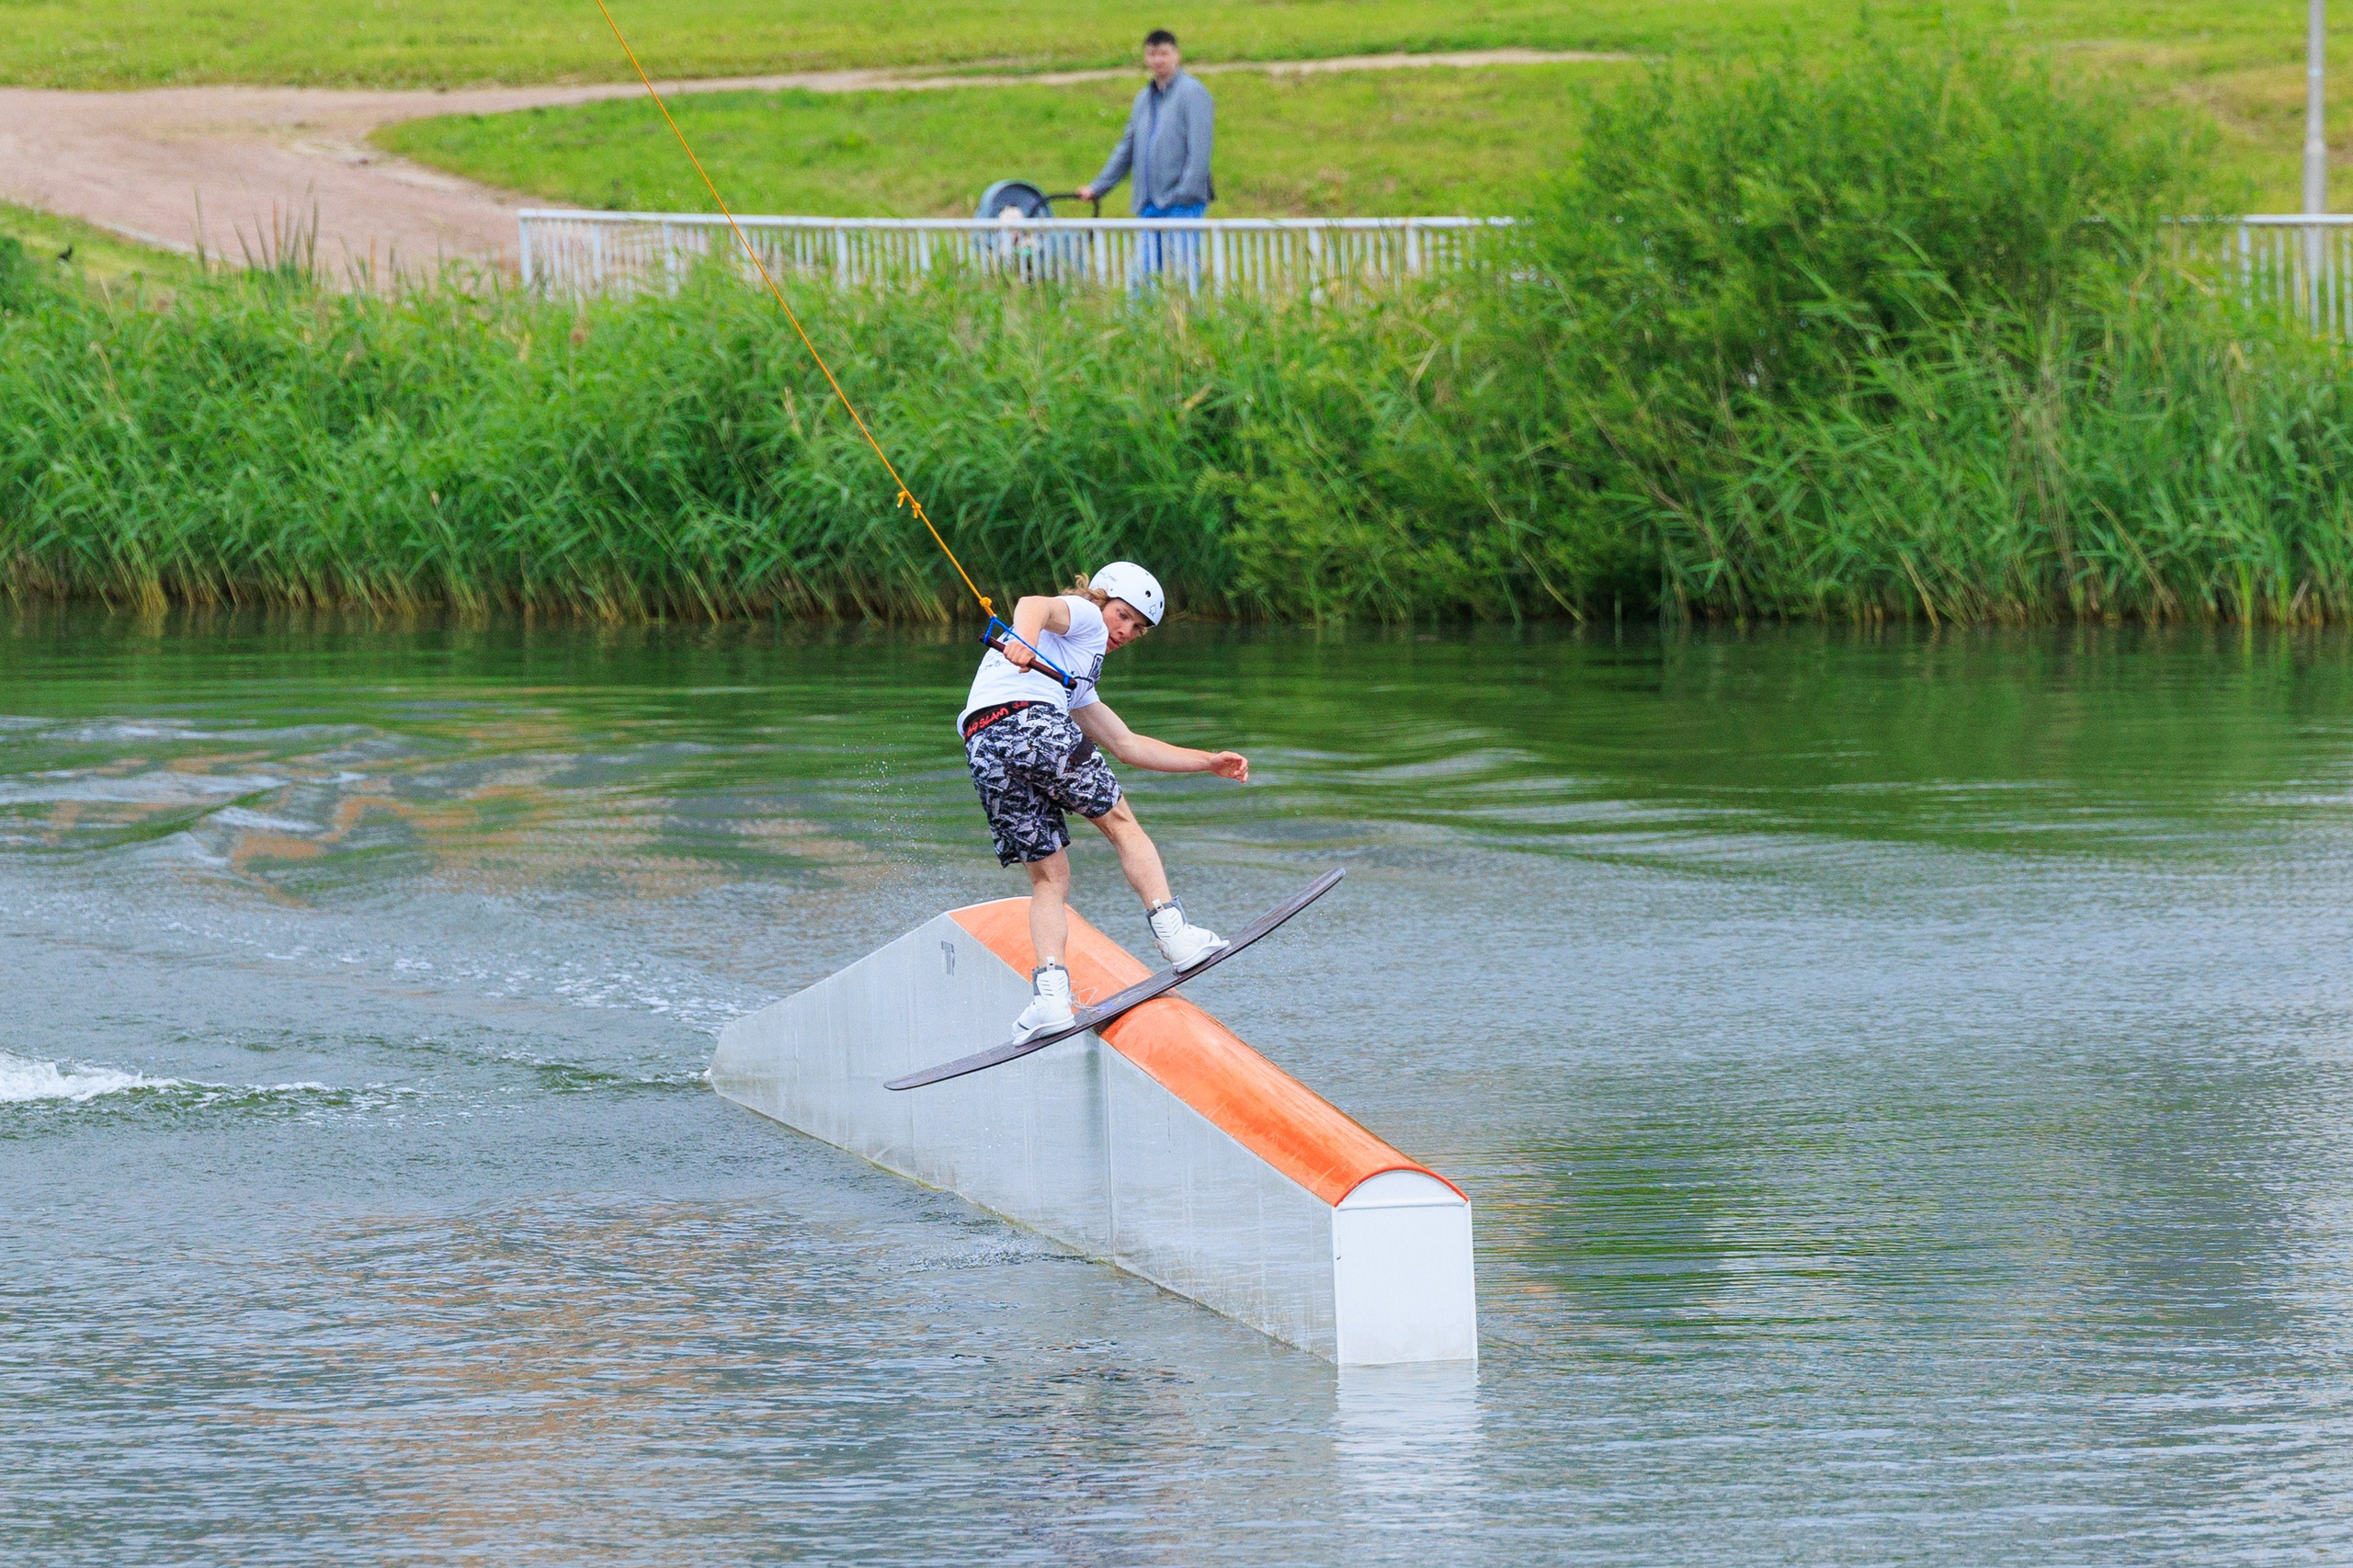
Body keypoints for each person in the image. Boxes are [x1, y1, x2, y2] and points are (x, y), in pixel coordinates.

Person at [958, 561, 1249, 1041]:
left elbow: (1127, 744)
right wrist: (1020, 638)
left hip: (983, 744)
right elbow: (1034, 605)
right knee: (1122, 823)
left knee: (1050, 878)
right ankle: (1174, 935)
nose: (1127, 630)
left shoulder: (1075, 679)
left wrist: (1207, 761)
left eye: (1139, 627)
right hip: (1029, 723)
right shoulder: (1086, 616)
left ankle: (1050, 997)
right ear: (1102, 597)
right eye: (1124, 615)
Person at [1075, 28, 1214, 287]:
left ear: (1177, 55)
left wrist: (1184, 194)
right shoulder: (1144, 98)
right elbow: (1126, 148)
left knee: (1185, 271)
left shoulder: (1193, 93)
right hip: (1150, 202)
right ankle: (1143, 324)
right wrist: (1098, 187)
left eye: (1164, 53)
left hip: (1183, 203)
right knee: (1143, 276)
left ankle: (1192, 321)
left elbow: (1200, 152)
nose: (1158, 60)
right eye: (1152, 54)